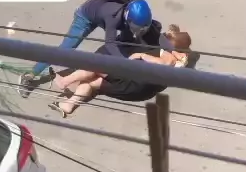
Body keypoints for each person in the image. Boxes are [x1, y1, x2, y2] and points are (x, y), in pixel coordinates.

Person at [18, 0, 154, 98]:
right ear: (128, 17)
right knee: (64, 50)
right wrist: (126, 63)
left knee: (127, 41)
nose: (138, 30)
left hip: (101, 14)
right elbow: (110, 44)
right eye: (136, 27)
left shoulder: (137, 7)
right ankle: (30, 75)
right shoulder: (113, 16)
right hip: (85, 18)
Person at [49, 27, 192, 117]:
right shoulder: (180, 61)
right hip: (138, 91)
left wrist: (142, 55)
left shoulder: (169, 56)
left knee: (96, 65)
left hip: (132, 81)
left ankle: (64, 82)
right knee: (93, 82)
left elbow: (164, 64)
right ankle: (69, 105)